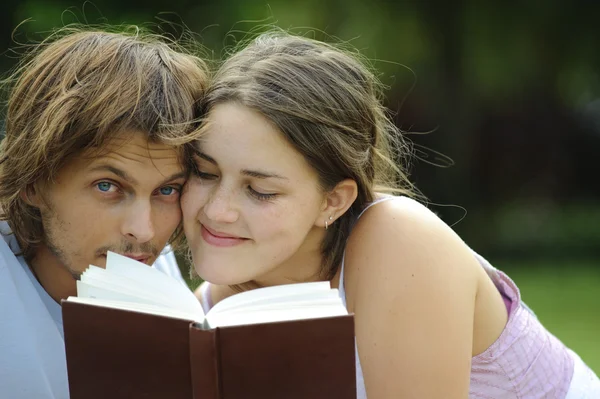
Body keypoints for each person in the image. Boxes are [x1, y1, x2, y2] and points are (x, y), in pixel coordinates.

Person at [182, 32, 600, 398]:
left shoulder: (399, 241)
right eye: (204, 172)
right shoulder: (214, 306)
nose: (217, 210)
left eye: (261, 191)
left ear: (333, 202)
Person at [0, 27, 208, 398]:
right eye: (108, 186)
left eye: (166, 190)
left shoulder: (141, 268)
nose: (143, 231)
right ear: (33, 181)